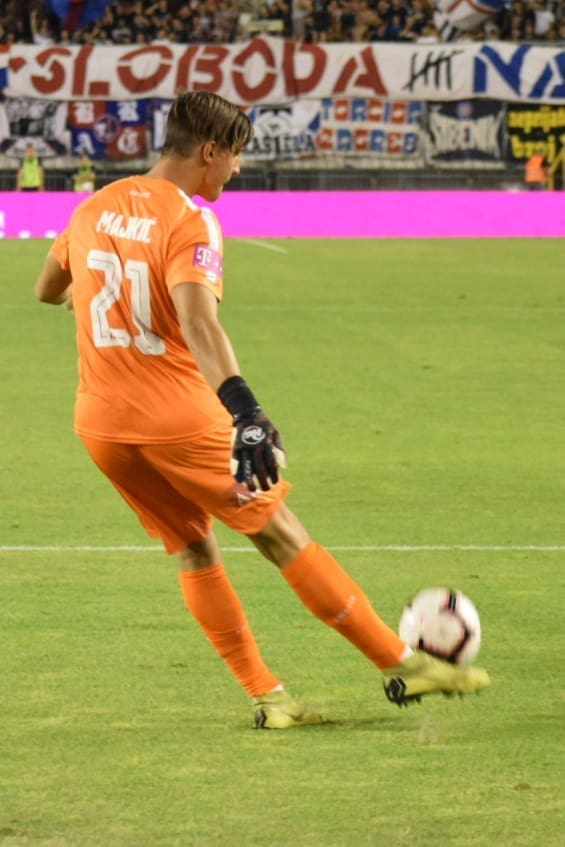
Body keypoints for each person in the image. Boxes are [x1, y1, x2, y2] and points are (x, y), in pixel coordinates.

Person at [34, 90, 490, 729]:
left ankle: (269, 697)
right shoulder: (189, 221)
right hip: (179, 422)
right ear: (209, 151)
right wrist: (246, 412)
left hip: (102, 426)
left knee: (194, 548)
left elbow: (46, 289)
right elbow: (199, 324)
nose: (237, 169)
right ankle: (405, 665)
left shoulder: (94, 205)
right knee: (281, 535)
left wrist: (103, 301)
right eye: (234, 155)